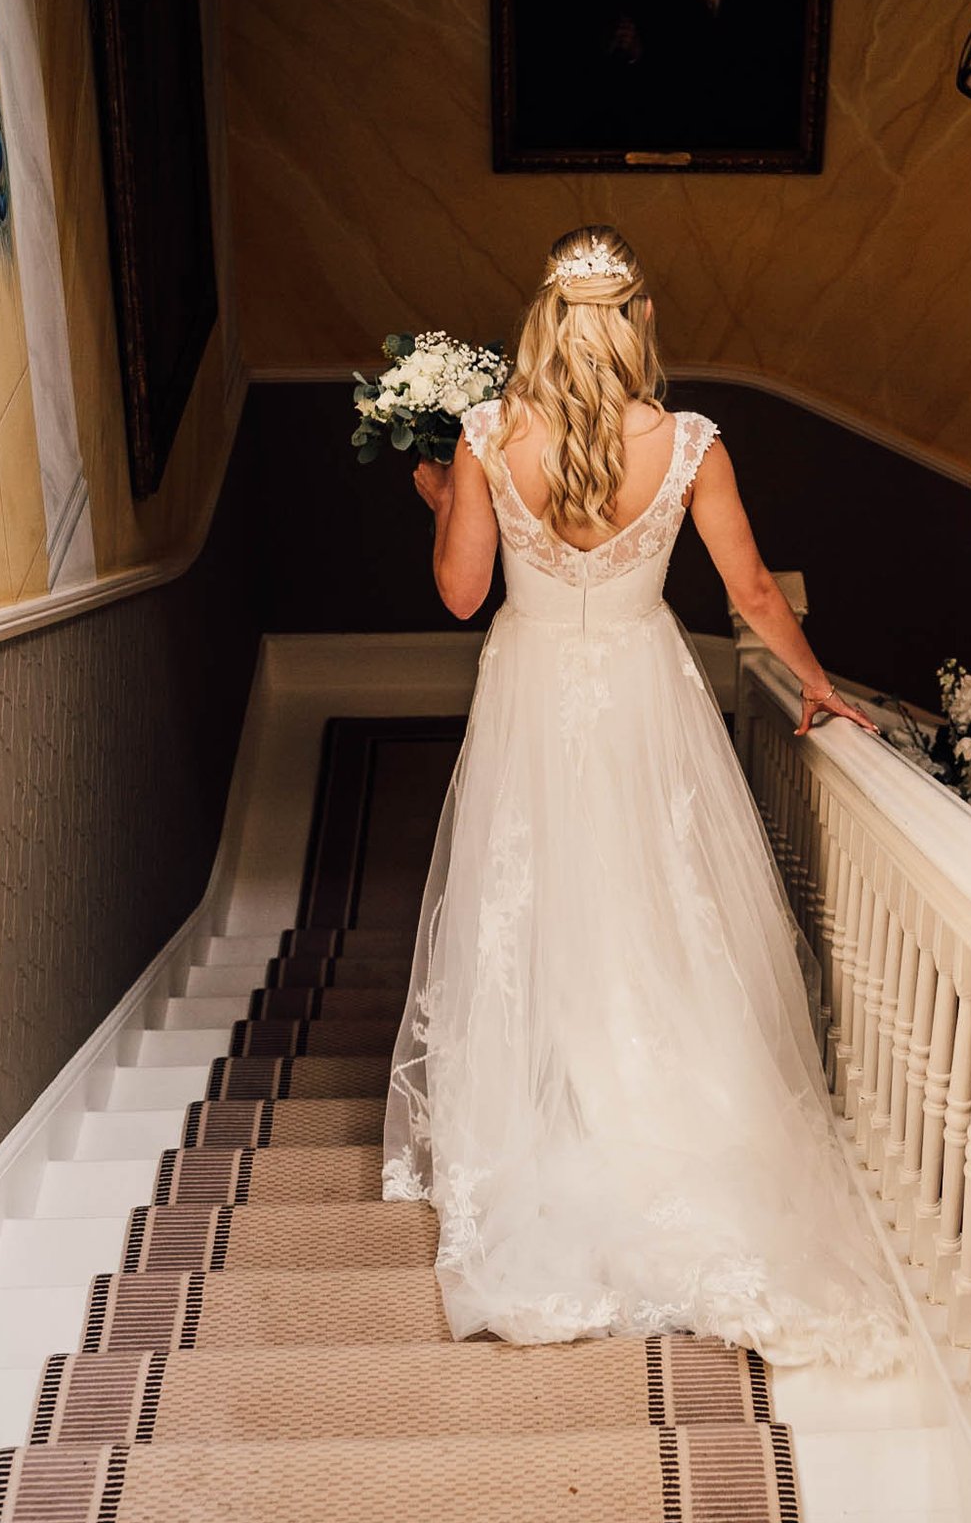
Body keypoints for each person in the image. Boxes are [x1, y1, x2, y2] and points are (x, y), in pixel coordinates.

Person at [384, 224, 905, 1373]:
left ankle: (550, 1115)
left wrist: (441, 498)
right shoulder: (689, 443)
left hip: (528, 695)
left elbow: (464, 596)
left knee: (536, 895)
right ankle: (661, 1117)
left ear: (541, 325)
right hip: (639, 692)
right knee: (650, 900)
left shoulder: (483, 437)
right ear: (641, 326)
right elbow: (753, 590)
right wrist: (819, 688)